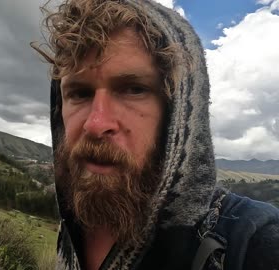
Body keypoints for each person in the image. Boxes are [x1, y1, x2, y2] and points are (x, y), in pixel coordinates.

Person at [32, 0, 279, 269]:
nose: (95, 124)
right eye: (79, 93)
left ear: (181, 114)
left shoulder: (252, 240)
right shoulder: (75, 220)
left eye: (133, 89)